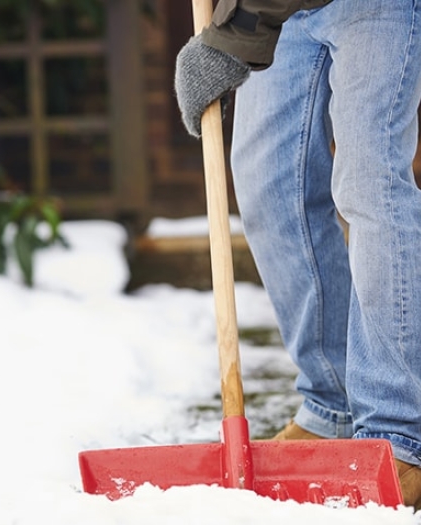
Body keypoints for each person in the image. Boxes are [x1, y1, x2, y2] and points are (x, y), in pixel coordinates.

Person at [174, 0, 421, 510]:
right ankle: (332, 408)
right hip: (279, 15)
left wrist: (231, 35)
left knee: (369, 183)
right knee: (267, 184)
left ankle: (399, 433)